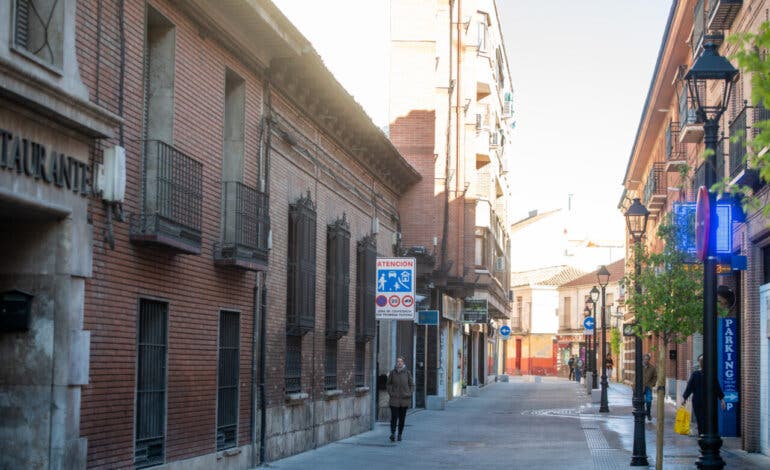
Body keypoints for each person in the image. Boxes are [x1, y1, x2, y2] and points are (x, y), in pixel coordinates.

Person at [682, 354, 727, 436]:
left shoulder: (695, 374)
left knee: (700, 419)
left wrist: (684, 398)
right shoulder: (711, 374)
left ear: (699, 363)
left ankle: (701, 434)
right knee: (708, 418)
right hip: (709, 401)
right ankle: (707, 433)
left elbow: (689, 388)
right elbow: (717, 387)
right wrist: (722, 399)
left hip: (698, 401)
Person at [386, 356, 414, 442]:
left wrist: (409, 393)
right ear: (396, 363)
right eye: (398, 361)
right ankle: (393, 433)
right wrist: (391, 393)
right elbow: (388, 384)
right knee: (394, 417)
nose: (399, 363)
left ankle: (400, 434)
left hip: (404, 400)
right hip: (394, 400)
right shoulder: (392, 373)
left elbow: (412, 385)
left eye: (401, 361)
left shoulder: (407, 373)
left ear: (403, 363)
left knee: (402, 418)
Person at [643, 353, 657, 421]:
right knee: (641, 401)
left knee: (649, 400)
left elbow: (655, 377)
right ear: (643, 359)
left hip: (648, 386)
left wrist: (652, 384)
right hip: (641, 387)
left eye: (648, 359)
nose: (646, 361)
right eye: (645, 359)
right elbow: (636, 377)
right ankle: (642, 413)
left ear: (649, 360)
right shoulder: (640, 367)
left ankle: (648, 413)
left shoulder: (652, 368)